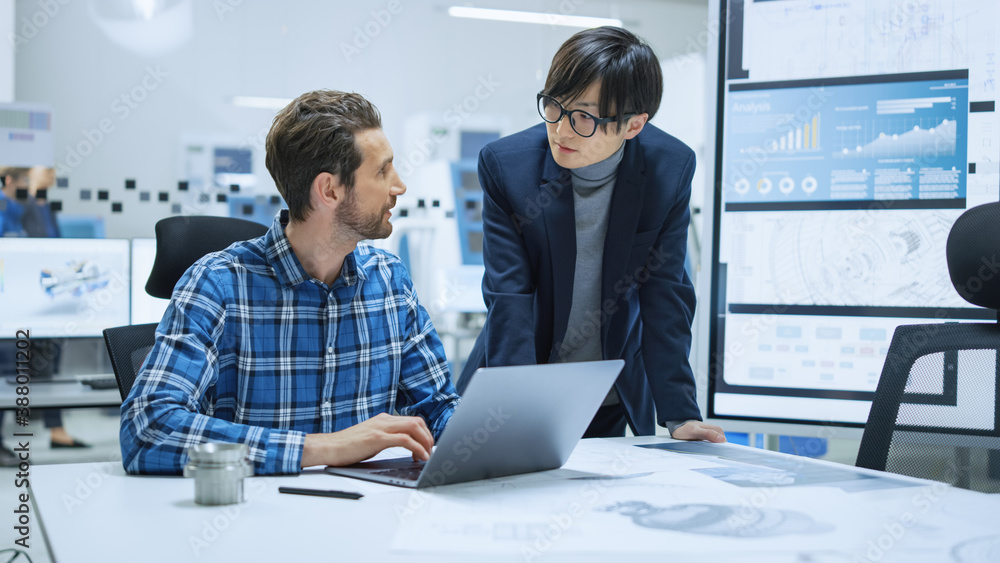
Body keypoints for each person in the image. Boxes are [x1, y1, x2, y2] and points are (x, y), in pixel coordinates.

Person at [120, 90, 460, 475]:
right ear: (329, 190)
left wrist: (493, 434)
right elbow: (147, 429)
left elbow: (437, 409)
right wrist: (327, 448)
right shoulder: (217, 286)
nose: (398, 186)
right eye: (382, 171)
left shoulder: (391, 282)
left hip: (370, 519)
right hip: (254, 521)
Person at [458, 27, 725, 442]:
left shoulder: (668, 169)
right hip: (514, 390)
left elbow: (665, 293)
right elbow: (509, 296)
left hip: (607, 394)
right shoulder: (507, 169)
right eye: (554, 106)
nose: (561, 130)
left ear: (633, 125)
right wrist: (515, 409)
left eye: (583, 116)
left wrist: (681, 415)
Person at [0, 167, 89, 469]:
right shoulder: (7, 206)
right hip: (10, 304)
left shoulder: (38, 208)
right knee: (7, 367)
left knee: (49, 359)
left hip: (40, 301)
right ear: (11, 181)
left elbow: (51, 241)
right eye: (26, 181)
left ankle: (57, 429)